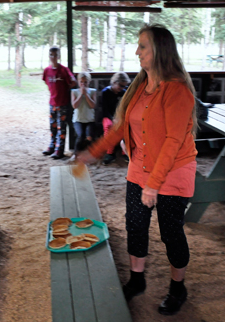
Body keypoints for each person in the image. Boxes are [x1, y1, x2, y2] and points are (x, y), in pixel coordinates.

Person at [78, 25, 198, 316]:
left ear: (159, 50)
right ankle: (137, 280)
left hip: (172, 173)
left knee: (171, 233)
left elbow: (173, 141)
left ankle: (177, 288)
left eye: (142, 46)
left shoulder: (177, 90)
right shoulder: (138, 88)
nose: (137, 51)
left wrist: (154, 184)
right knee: (135, 225)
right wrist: (92, 153)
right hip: (139, 170)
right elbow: (119, 127)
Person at [42, 46, 75, 159]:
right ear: (49, 56)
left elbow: (73, 81)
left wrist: (65, 90)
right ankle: (52, 146)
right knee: (53, 126)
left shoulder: (64, 70)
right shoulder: (47, 70)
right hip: (52, 103)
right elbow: (47, 83)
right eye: (51, 55)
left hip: (63, 103)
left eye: (55, 55)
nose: (53, 57)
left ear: (59, 56)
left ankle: (59, 150)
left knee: (62, 127)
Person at [101, 72, 131, 165]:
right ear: (114, 82)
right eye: (121, 85)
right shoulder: (105, 92)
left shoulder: (124, 93)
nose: (122, 88)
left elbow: (125, 108)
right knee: (109, 127)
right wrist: (113, 119)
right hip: (108, 116)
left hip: (120, 116)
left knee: (126, 127)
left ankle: (125, 152)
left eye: (124, 86)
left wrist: (120, 118)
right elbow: (104, 110)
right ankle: (110, 153)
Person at [71, 72, 96, 153]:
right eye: (81, 82)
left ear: (89, 82)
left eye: (85, 82)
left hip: (90, 120)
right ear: (78, 82)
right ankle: (75, 154)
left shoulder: (93, 91)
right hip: (78, 120)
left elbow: (92, 105)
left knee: (89, 137)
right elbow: (75, 106)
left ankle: (90, 154)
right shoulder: (74, 92)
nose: (83, 84)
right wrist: (81, 94)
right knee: (81, 136)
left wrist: (86, 94)